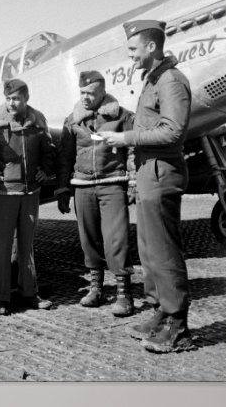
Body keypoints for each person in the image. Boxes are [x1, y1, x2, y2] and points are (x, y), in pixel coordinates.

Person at [99, 20, 195, 353]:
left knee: (165, 251)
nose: (130, 57)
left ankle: (177, 325)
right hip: (146, 173)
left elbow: (173, 132)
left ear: (151, 47)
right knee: (149, 250)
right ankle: (159, 311)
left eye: (133, 50)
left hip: (161, 174)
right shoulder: (153, 80)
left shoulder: (170, 81)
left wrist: (124, 137)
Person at [0, 79, 55, 316]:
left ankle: (30, 293)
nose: (11, 103)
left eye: (16, 98)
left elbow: (49, 149)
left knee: (27, 247)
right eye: (8, 98)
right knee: (2, 246)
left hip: (30, 193)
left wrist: (45, 171)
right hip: (4, 194)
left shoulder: (38, 121)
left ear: (26, 98)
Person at [56, 70, 135, 317]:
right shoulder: (73, 121)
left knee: (116, 238)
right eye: (82, 93)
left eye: (90, 93)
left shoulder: (122, 117)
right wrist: (62, 189)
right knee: (88, 240)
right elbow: (65, 156)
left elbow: (133, 149)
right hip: (82, 185)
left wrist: (132, 182)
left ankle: (124, 294)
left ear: (102, 92)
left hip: (113, 183)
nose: (86, 97)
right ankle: (96, 288)